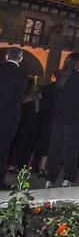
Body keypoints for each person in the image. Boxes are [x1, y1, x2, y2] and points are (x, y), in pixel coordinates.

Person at [46, 53, 79, 188]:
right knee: (71, 149)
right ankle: (68, 178)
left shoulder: (60, 76)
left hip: (59, 118)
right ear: (77, 62)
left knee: (55, 148)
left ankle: (50, 178)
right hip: (74, 118)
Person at [0, 48, 28, 190]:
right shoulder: (22, 74)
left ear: (6, 56)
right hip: (10, 115)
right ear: (20, 58)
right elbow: (19, 95)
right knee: (4, 148)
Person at [35, 71, 59, 177]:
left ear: (53, 77)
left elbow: (40, 99)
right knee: (51, 143)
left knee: (42, 141)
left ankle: (38, 165)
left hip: (43, 117)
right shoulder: (61, 89)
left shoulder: (46, 88)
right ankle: (45, 166)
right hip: (55, 119)